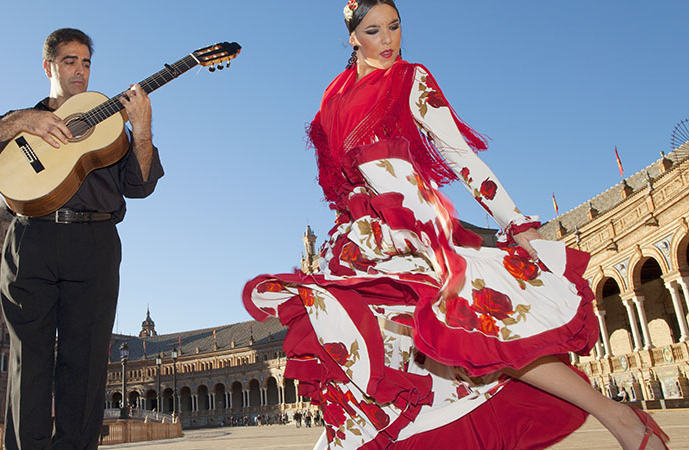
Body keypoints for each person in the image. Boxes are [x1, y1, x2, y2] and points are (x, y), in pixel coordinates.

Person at [242, 2, 669, 449]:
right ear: (352, 37)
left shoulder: (411, 78)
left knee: (480, 333)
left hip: (416, 231)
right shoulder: (333, 97)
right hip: (359, 240)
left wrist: (517, 222)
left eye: (394, 26)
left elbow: (460, 156)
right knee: (359, 355)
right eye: (373, 30)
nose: (387, 40)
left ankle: (618, 416)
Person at [0, 28, 164, 450]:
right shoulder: (24, 124)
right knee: (28, 362)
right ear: (48, 67)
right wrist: (24, 120)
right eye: (70, 61)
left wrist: (142, 130)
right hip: (32, 238)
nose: (80, 71)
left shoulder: (109, 128)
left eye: (86, 63)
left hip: (95, 241)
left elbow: (140, 186)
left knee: (84, 366)